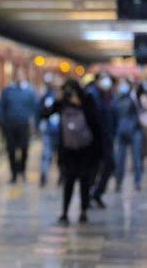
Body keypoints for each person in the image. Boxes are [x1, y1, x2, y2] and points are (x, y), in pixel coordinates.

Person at [43, 79, 102, 224]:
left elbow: (96, 121)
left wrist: (80, 104)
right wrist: (56, 101)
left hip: (86, 149)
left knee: (84, 180)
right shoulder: (62, 102)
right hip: (68, 150)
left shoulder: (87, 99)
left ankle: (83, 211)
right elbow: (44, 114)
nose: (70, 94)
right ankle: (64, 212)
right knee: (68, 181)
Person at [0, 68, 37, 183]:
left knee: (24, 149)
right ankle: (13, 173)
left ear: (24, 76)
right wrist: (2, 122)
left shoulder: (29, 90)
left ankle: (22, 170)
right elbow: (1, 106)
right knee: (11, 150)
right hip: (10, 125)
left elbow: (34, 107)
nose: (19, 77)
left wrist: (34, 124)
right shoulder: (8, 90)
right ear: (14, 77)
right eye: (17, 75)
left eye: (21, 75)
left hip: (24, 125)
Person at [86, 71, 117, 208]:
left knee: (109, 165)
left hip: (106, 139)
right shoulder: (92, 94)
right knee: (93, 169)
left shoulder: (108, 95)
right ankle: (88, 196)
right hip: (96, 140)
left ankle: (95, 193)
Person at [114, 78, 143, 191]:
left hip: (135, 131)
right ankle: (118, 182)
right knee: (120, 159)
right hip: (121, 132)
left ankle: (137, 181)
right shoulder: (115, 98)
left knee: (136, 158)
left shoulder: (134, 97)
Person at [37, 72, 61, 187]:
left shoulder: (64, 96)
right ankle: (44, 175)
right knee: (46, 154)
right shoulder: (46, 95)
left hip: (62, 132)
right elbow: (40, 112)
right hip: (49, 131)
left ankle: (62, 176)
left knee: (61, 157)